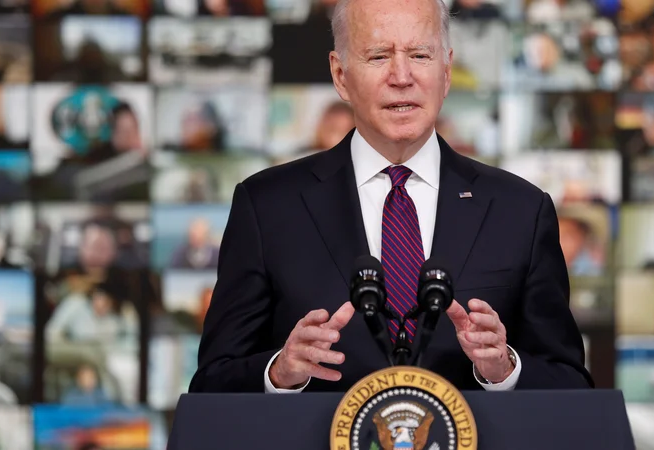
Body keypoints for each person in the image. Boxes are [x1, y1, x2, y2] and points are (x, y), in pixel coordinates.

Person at [189, 0, 592, 394]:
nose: (402, 76)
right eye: (379, 56)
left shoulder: (520, 210)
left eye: (419, 55)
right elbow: (211, 384)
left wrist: (504, 370)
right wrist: (278, 373)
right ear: (340, 74)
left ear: (447, 71)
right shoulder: (266, 206)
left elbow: (571, 385)